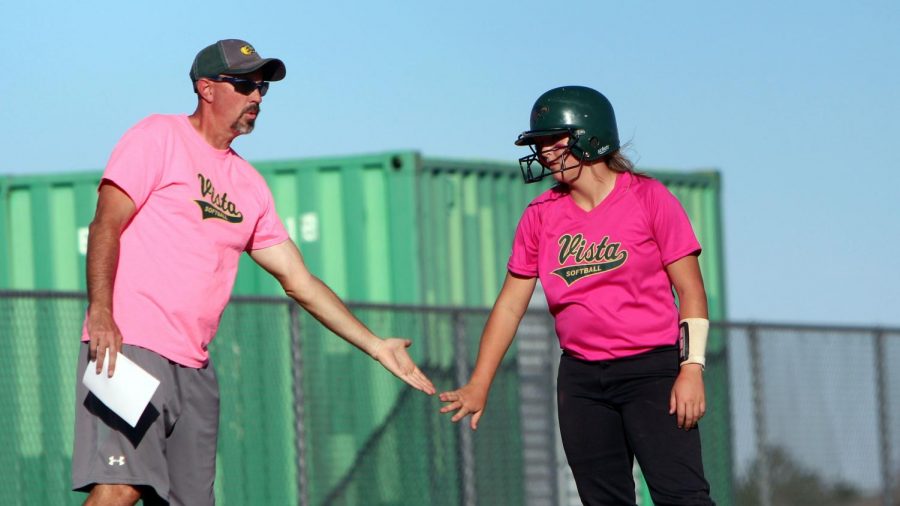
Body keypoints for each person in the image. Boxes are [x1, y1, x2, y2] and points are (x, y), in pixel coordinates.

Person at [72, 39, 435, 506]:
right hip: (130, 346)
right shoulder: (157, 136)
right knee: (121, 486)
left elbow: (299, 281)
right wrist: (101, 311)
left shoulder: (249, 185)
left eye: (262, 87)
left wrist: (375, 344)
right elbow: (106, 224)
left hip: (195, 365)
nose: (257, 97)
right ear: (206, 88)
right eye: (244, 84)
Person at [439, 86, 715, 505]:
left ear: (592, 135)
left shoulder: (648, 198)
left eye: (554, 140)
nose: (545, 152)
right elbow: (510, 305)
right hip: (582, 379)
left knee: (682, 498)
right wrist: (480, 382)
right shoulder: (541, 215)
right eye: (539, 143)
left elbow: (691, 291)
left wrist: (691, 369)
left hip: (653, 371)